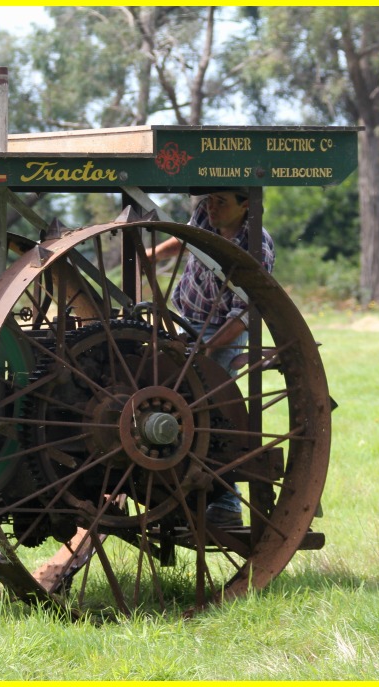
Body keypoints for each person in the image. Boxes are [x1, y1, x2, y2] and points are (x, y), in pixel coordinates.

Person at [149, 188, 275, 528]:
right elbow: (188, 239)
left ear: (246, 204)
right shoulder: (207, 215)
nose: (212, 207)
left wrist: (210, 348)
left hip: (224, 331)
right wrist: (153, 254)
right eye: (210, 200)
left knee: (213, 414)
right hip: (188, 318)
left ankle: (228, 505)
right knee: (176, 402)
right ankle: (178, 495)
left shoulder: (256, 248)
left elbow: (244, 313)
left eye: (222, 202)